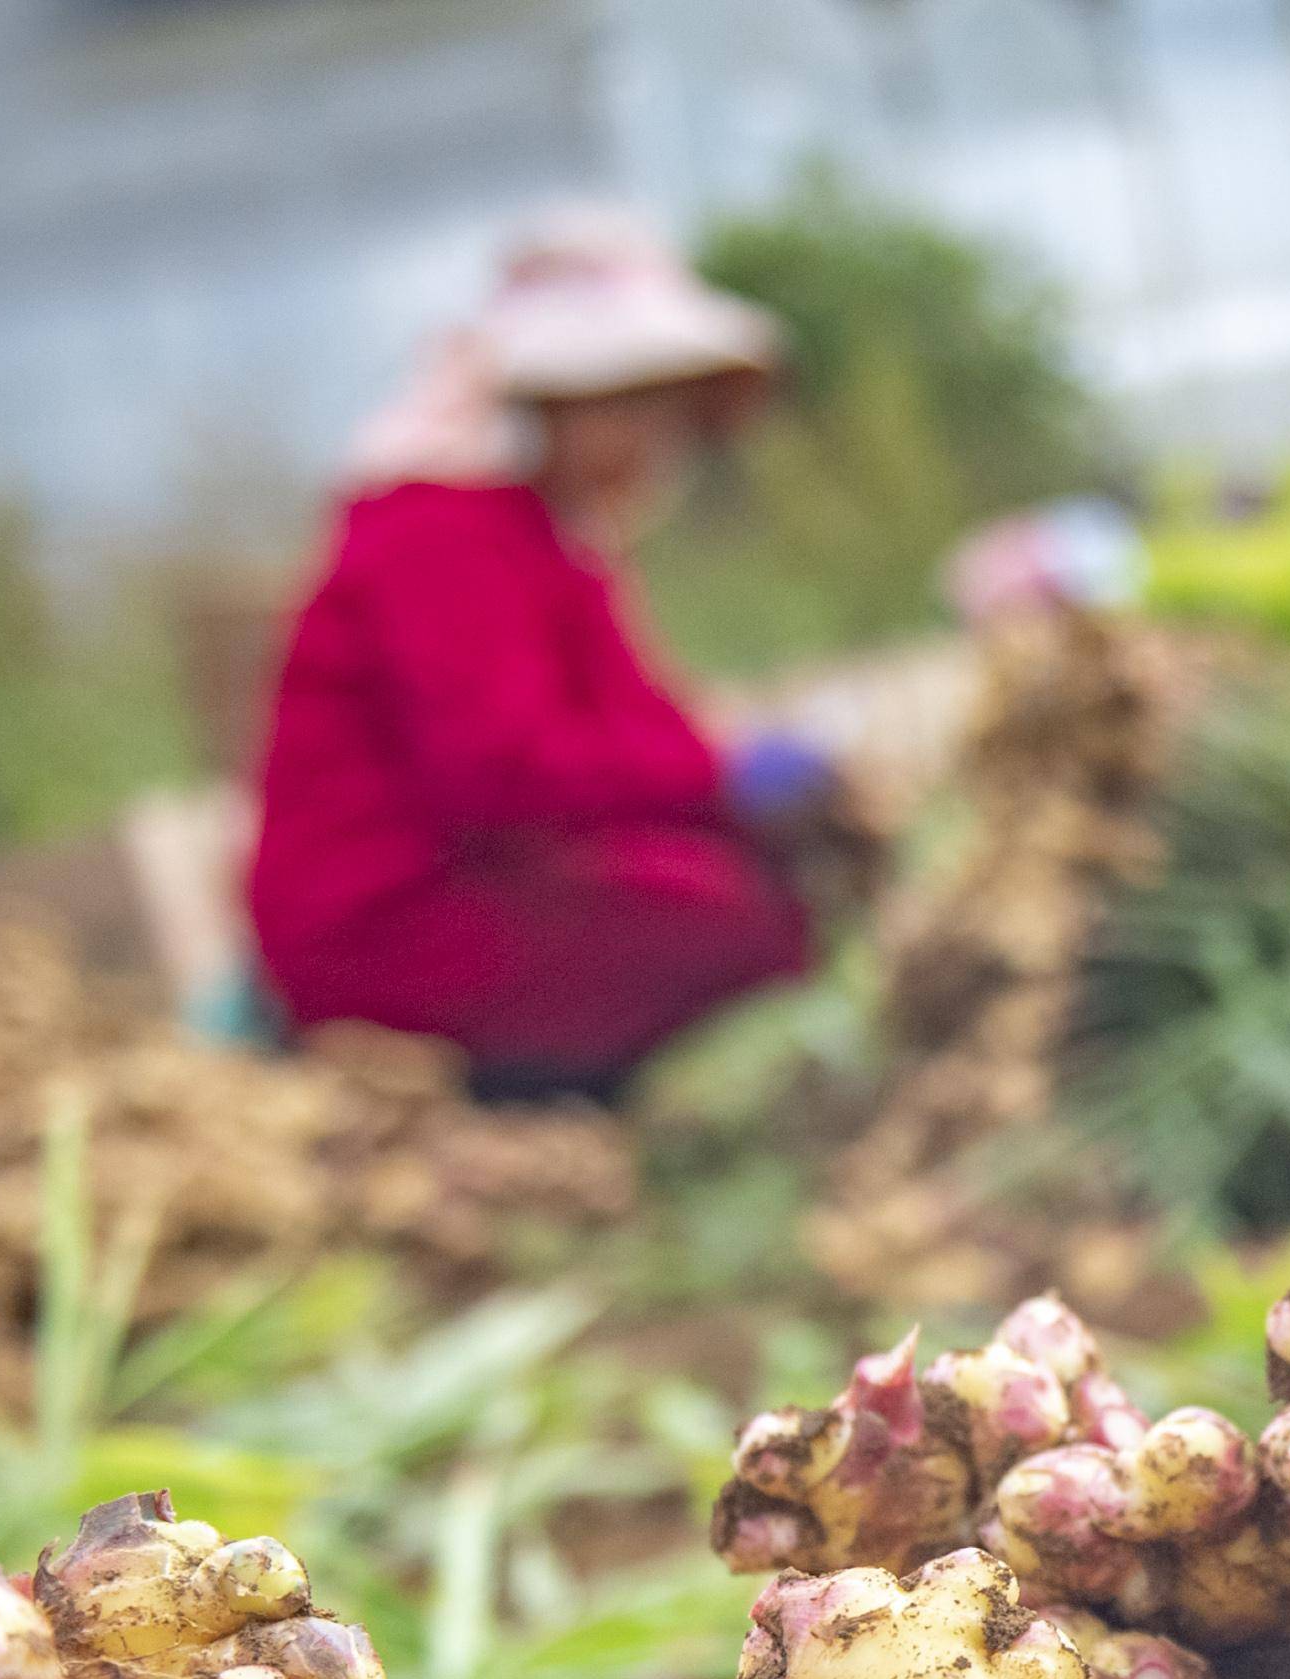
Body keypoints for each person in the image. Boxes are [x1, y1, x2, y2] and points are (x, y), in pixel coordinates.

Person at [247, 207, 852, 1100]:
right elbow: (500, 771)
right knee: (742, 934)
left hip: (488, 881)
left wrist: (739, 792)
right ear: (547, 409)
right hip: (381, 925)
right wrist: (719, 776)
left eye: (667, 416)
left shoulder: (550, 542)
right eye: (631, 412)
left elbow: (629, 731)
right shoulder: (436, 533)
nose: (658, 446)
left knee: (770, 894)